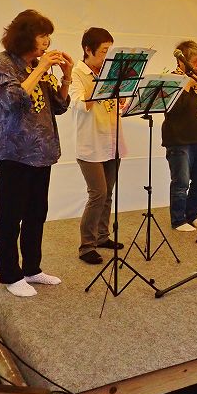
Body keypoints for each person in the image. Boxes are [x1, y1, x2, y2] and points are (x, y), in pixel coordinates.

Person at [0, 10, 72, 297]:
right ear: (25, 36)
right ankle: (10, 274)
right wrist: (41, 68)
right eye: (42, 35)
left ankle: (32, 268)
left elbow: (59, 106)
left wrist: (67, 77)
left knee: (36, 213)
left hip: (41, 152)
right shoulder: (2, 62)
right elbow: (13, 100)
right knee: (10, 215)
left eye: (48, 36)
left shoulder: (36, 66)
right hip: (13, 152)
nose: (47, 42)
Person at [70, 27, 126, 265]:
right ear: (88, 49)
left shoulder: (108, 72)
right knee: (98, 193)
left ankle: (102, 236)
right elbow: (78, 103)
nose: (107, 57)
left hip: (111, 139)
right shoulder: (77, 73)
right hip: (90, 143)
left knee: (108, 193)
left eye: (109, 51)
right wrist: (102, 86)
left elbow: (117, 104)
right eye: (104, 51)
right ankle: (86, 246)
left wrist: (121, 96)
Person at [162, 40, 197, 232]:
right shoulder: (172, 79)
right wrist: (188, 85)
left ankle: (192, 214)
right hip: (179, 138)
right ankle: (178, 219)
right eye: (194, 61)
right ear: (181, 62)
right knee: (181, 182)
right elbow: (172, 109)